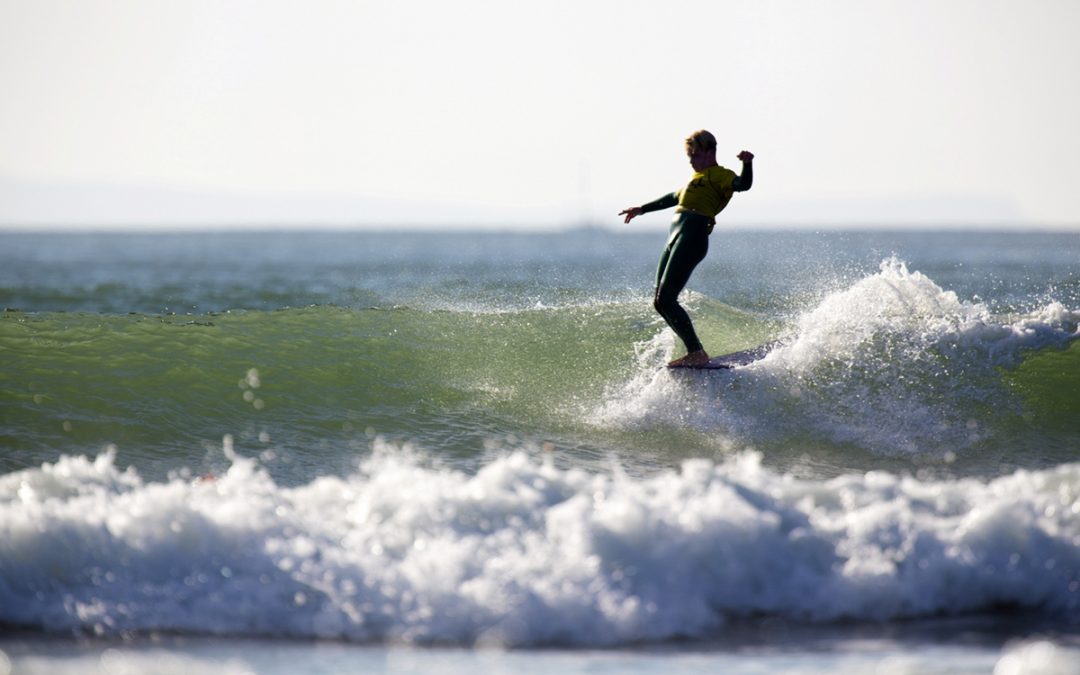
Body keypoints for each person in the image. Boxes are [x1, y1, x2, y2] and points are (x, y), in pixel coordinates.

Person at [620, 130, 754, 367]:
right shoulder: (695, 179)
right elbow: (673, 197)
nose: (691, 160)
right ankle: (694, 351)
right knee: (660, 302)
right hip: (675, 237)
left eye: (695, 154)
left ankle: (696, 352)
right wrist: (642, 208)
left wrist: (747, 164)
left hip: (693, 235)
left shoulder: (720, 175)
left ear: (710, 151)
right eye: (690, 156)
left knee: (667, 299)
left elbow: (743, 185)